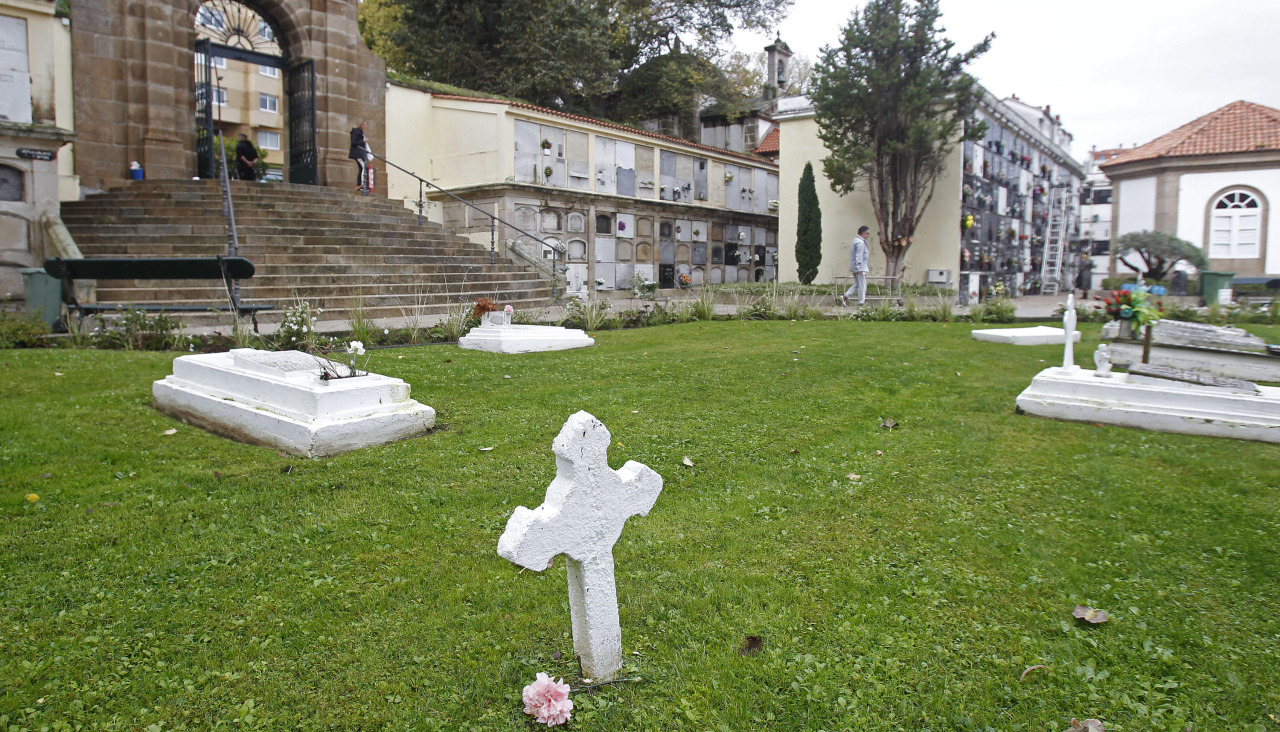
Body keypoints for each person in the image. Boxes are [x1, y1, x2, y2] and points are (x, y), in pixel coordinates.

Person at [842, 225, 871, 306]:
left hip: (856, 267)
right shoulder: (860, 242)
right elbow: (859, 256)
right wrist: (859, 267)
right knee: (862, 286)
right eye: (867, 234)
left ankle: (846, 296)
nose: (868, 236)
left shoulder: (855, 240)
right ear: (863, 233)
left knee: (858, 285)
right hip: (860, 268)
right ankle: (861, 302)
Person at [349, 121, 370, 194]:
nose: (364, 126)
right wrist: (363, 141)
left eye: (365, 125)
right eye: (364, 124)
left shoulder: (361, 132)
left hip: (361, 153)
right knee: (364, 167)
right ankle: (361, 184)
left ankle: (359, 184)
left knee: (361, 168)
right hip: (358, 153)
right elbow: (353, 142)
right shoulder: (356, 132)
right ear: (360, 124)